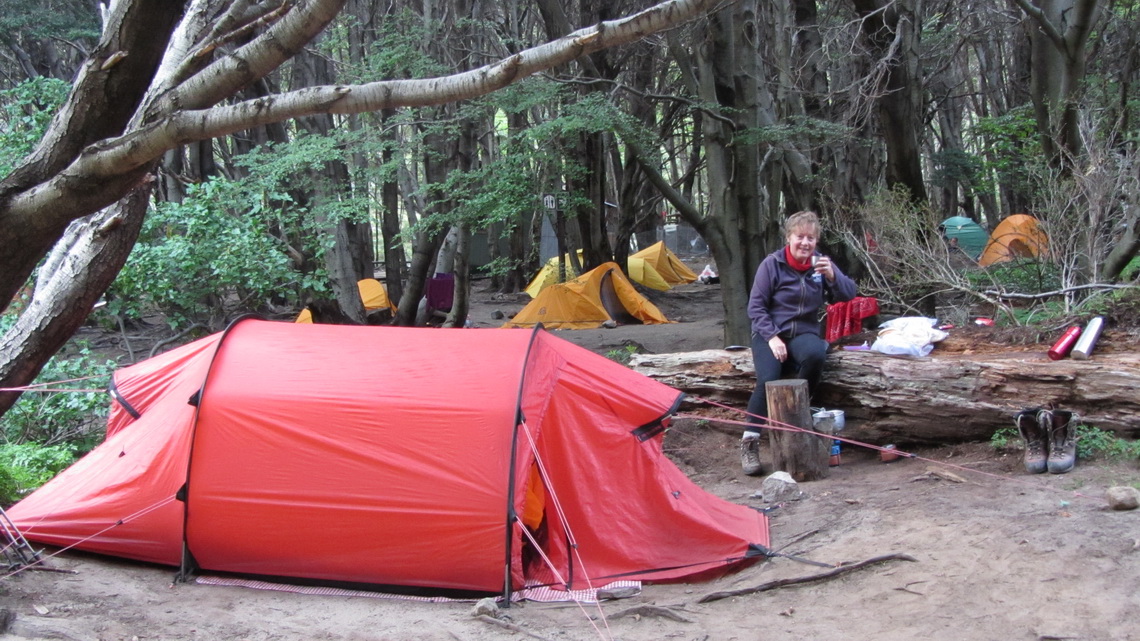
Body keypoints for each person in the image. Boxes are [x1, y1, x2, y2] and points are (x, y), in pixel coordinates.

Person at [741, 211, 857, 475]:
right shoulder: (772, 264)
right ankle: (750, 442)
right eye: (800, 237)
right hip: (770, 331)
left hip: (804, 332)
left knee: (816, 354)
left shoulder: (820, 264)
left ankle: (798, 417)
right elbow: (756, 307)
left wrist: (832, 277)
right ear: (789, 237)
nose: (805, 243)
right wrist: (772, 338)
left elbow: (848, 294)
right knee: (769, 379)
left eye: (811, 238)